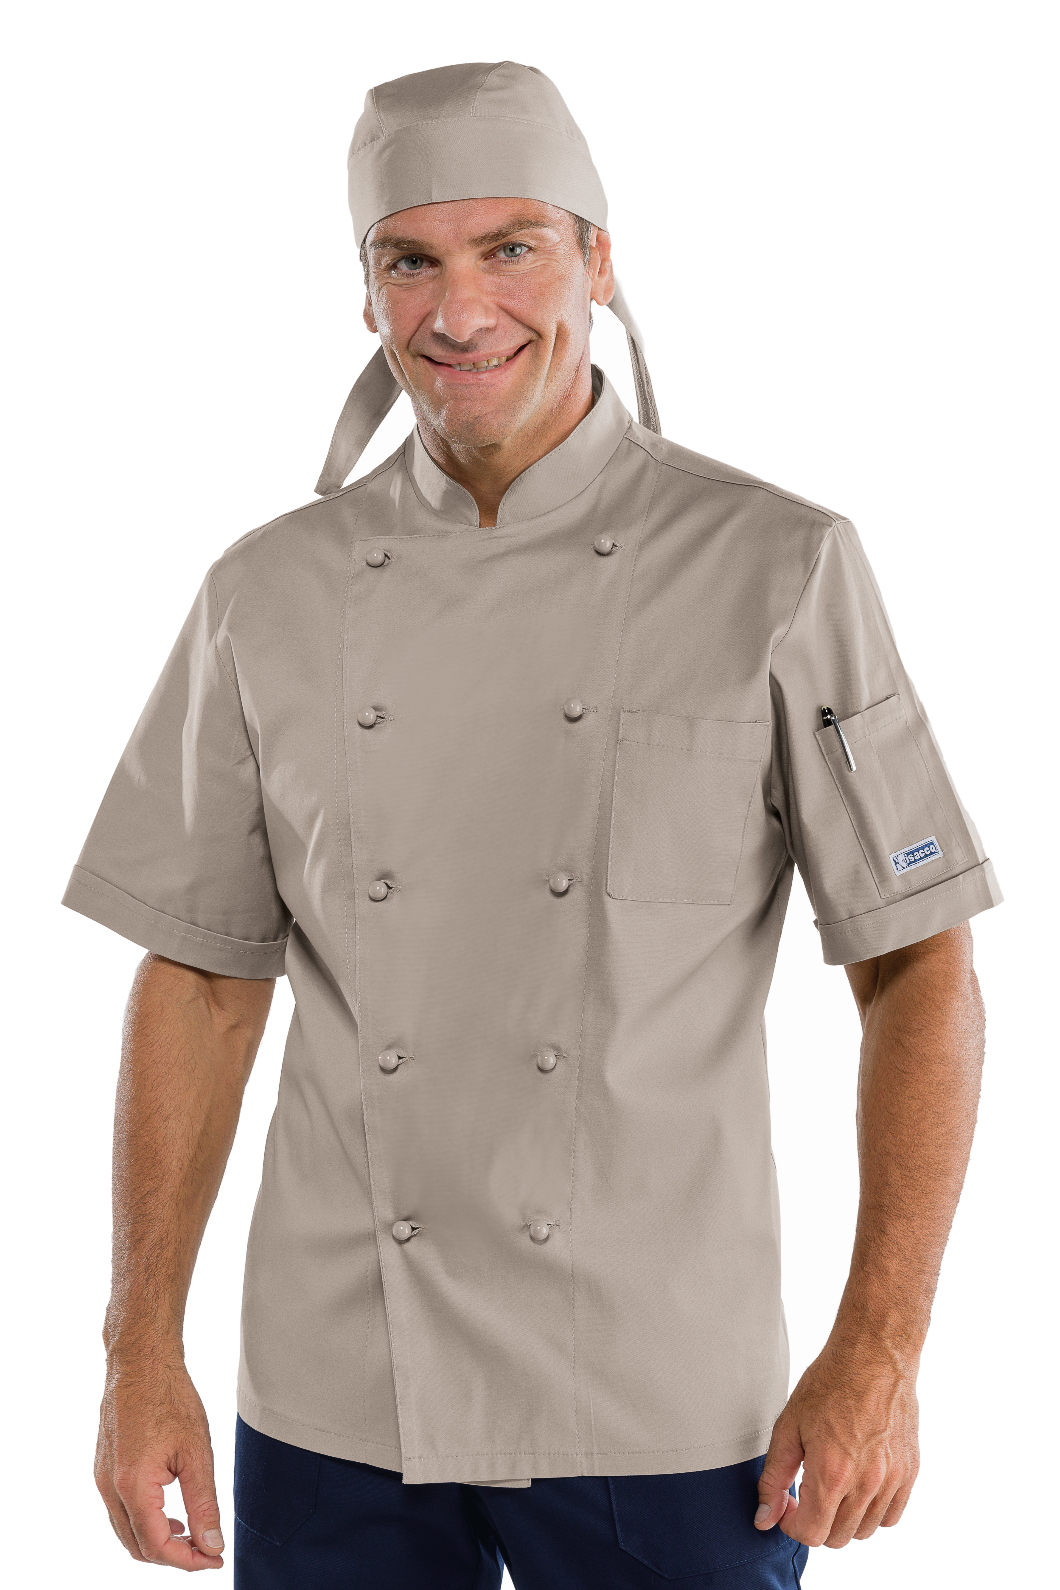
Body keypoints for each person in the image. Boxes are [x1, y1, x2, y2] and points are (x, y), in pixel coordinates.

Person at [64, 60, 1001, 1588]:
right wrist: (137, 1344)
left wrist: (881, 1349)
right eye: (410, 260)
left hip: (666, 1397)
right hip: (337, 1391)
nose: (461, 310)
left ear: (600, 260)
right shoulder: (266, 594)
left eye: (511, 248)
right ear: (365, 291)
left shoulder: (778, 568)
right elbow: (200, 978)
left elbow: (920, 968)